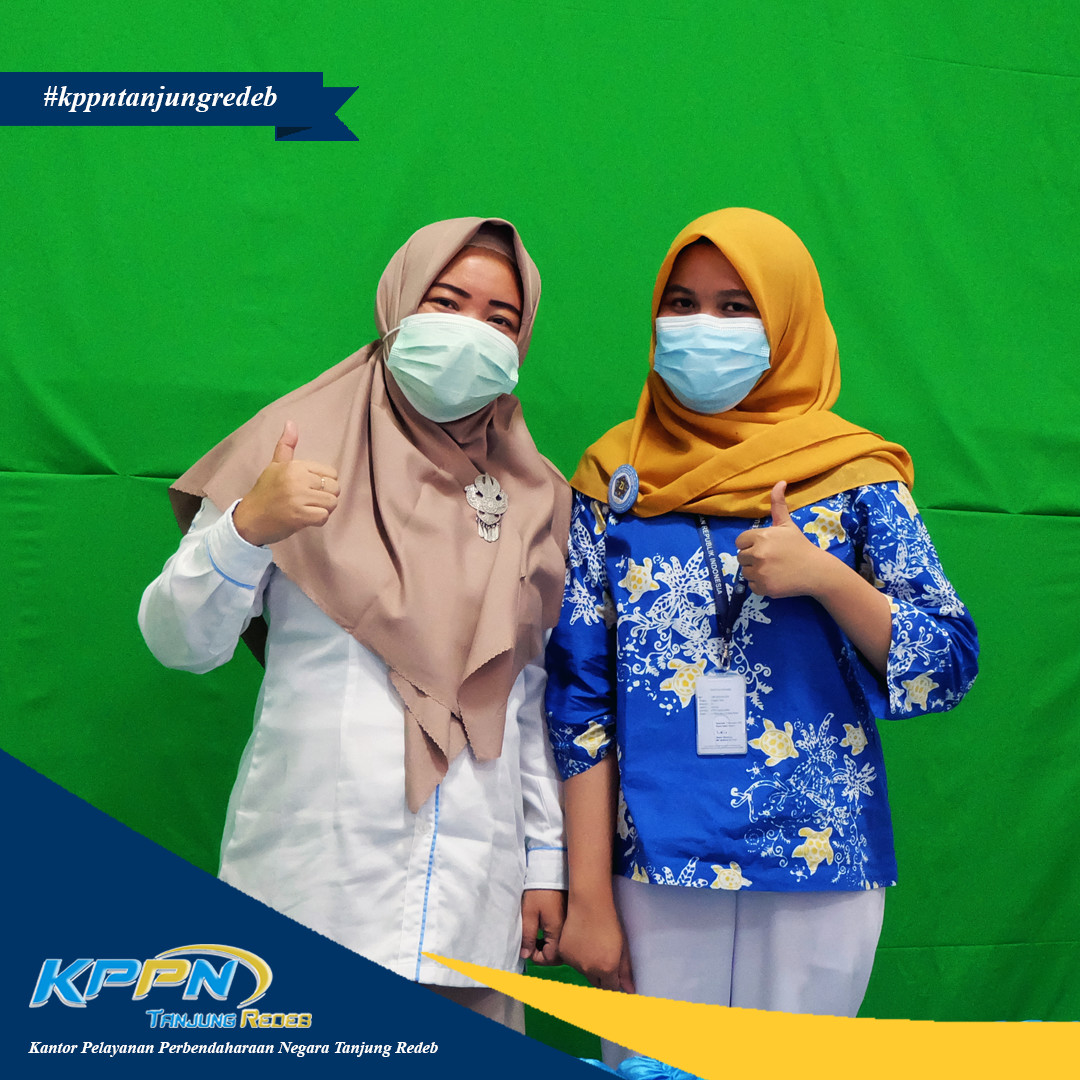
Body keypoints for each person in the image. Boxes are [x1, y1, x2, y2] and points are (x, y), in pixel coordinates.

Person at [544, 208, 979, 1042]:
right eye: (682, 302)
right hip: (653, 861)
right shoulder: (610, 480)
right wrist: (588, 896)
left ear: (787, 321)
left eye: (735, 306)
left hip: (818, 854)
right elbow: (578, 699)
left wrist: (826, 578)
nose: (701, 327)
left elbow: (947, 660)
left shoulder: (856, 477)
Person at [139, 217, 571, 1031]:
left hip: (470, 892)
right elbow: (178, 641)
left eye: (500, 318)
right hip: (315, 878)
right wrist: (247, 528)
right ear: (399, 302)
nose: (469, 331)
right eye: (447, 301)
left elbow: (525, 693)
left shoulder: (534, 493)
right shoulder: (294, 444)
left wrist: (545, 859)